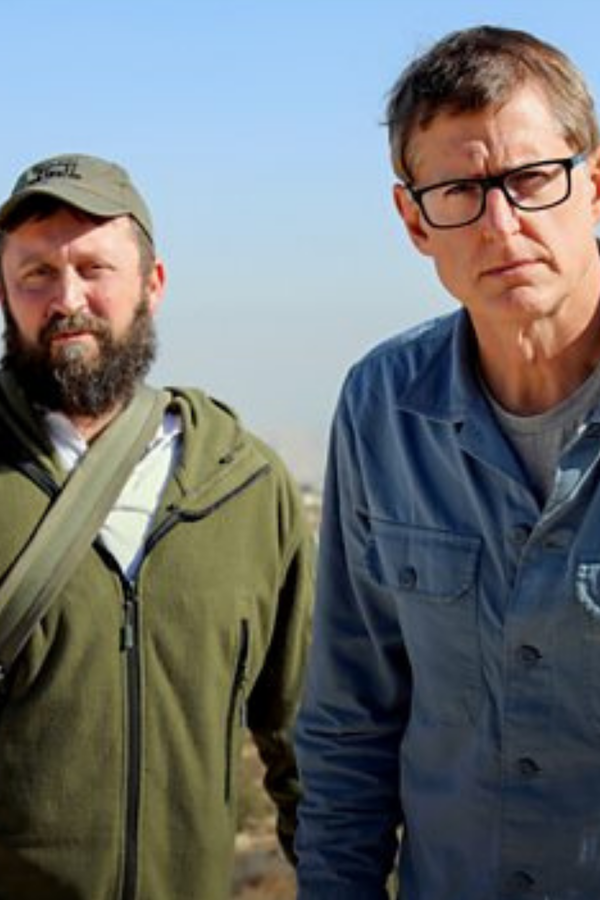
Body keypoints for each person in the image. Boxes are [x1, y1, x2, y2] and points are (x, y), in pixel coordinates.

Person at [295, 24, 600, 900]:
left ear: (594, 187)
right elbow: (351, 720)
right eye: (461, 190)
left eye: (531, 178)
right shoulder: (383, 407)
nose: (502, 225)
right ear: (414, 220)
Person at [0, 152, 313, 900]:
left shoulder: (244, 484)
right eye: (36, 274)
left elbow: (309, 740)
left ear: (153, 284)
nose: (67, 298)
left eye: (94, 268)